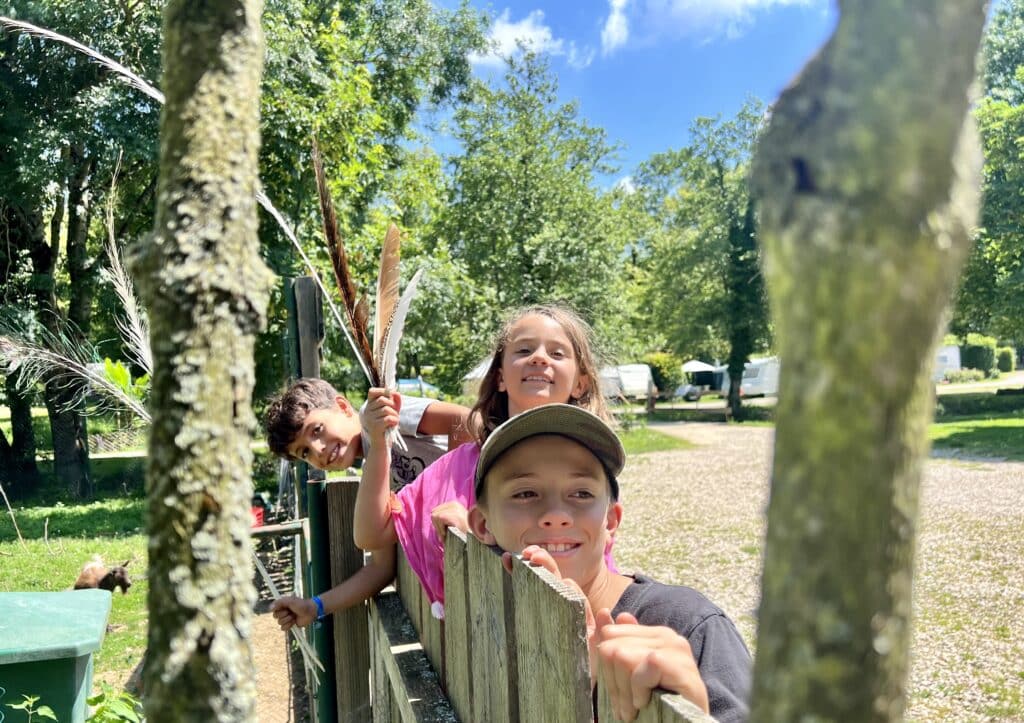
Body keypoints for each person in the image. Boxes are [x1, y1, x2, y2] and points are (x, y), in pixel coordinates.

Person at [467, 403, 751, 723]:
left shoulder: (688, 624)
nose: (556, 516)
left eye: (582, 493)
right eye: (525, 493)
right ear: (482, 525)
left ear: (611, 520)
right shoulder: (489, 621)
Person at [352, 303, 611, 615]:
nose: (539, 357)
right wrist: (379, 444)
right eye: (524, 349)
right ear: (500, 377)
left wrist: (481, 541)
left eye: (557, 353)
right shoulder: (455, 467)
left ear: (580, 383)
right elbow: (370, 534)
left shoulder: (593, 468)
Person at [264, 377, 470, 630]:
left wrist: (451, 497)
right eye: (304, 452)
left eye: (316, 430)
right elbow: (381, 568)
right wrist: (314, 606)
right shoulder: (376, 474)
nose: (317, 450)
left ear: (342, 406)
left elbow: (465, 420)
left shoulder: (381, 415)